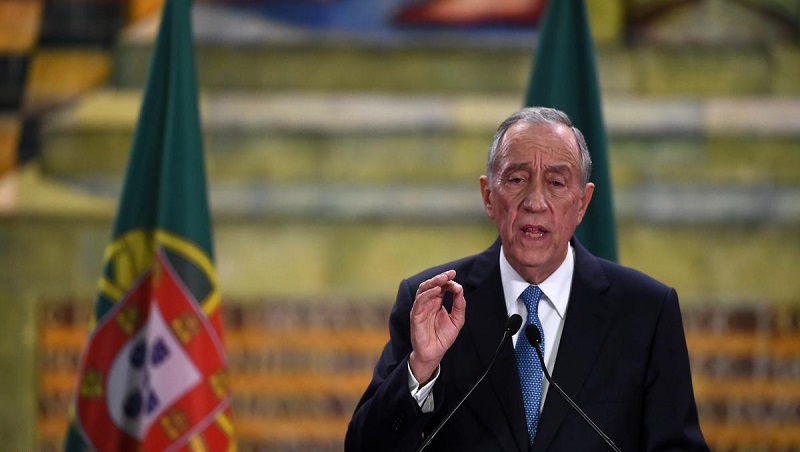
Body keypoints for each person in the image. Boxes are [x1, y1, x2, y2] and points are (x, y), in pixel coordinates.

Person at [344, 107, 708, 451]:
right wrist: (420, 369)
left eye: (556, 182)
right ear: (488, 196)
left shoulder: (645, 312)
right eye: (517, 179)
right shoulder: (436, 302)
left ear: (583, 203)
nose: (535, 201)